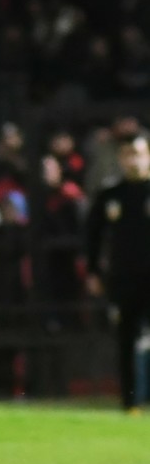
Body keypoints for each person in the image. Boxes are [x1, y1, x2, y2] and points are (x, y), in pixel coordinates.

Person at [83, 134, 150, 413]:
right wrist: (93, 271)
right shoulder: (111, 194)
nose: (133, 160)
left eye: (138, 153)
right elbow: (93, 235)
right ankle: (130, 401)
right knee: (126, 338)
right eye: (127, 154)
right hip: (125, 277)